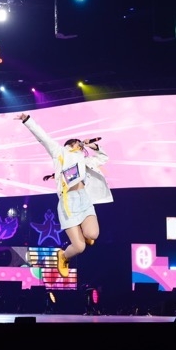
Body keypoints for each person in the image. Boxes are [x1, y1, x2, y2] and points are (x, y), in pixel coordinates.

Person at [16, 112, 113, 277]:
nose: (81, 146)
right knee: (80, 247)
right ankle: (63, 256)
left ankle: (84, 232)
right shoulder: (59, 152)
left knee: (93, 234)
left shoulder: (83, 160)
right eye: (78, 143)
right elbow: (43, 137)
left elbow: (103, 158)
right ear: (71, 144)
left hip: (84, 199)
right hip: (68, 202)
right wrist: (27, 120)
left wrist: (93, 146)